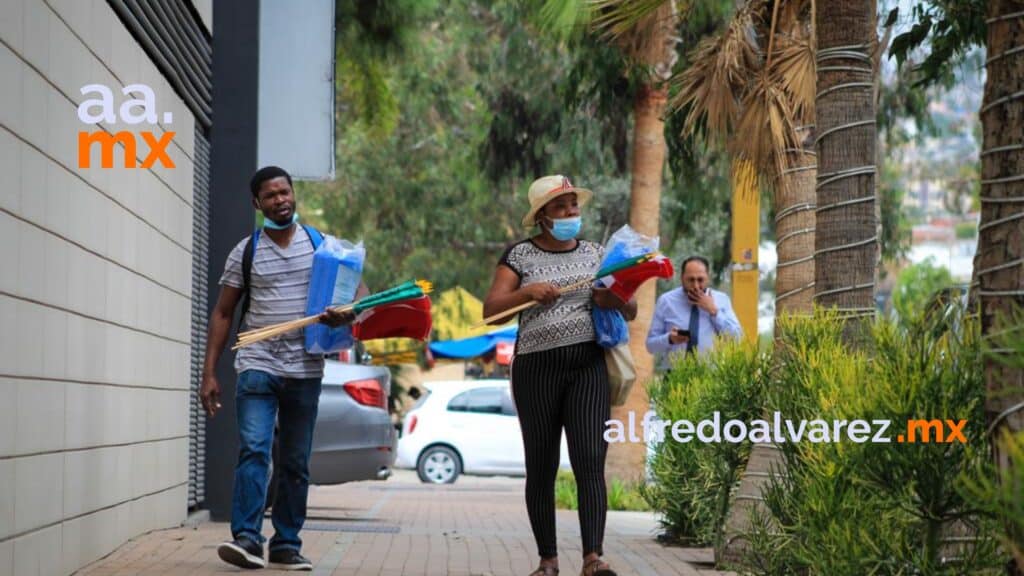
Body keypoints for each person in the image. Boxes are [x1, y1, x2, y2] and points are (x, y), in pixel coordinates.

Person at [199, 166, 367, 571]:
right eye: (271, 195)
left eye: (285, 192)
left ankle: (287, 544)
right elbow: (223, 312)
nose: (281, 200)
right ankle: (247, 539)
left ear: (294, 195)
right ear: (257, 204)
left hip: (305, 369)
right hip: (258, 363)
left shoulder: (322, 245)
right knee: (255, 450)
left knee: (295, 461)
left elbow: (358, 294)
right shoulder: (246, 251)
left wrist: (346, 312)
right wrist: (208, 372)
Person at [483, 175, 637, 576]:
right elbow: (491, 311)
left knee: (589, 460)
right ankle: (547, 561)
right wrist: (526, 293)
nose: (571, 213)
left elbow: (630, 307)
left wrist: (612, 297)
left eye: (574, 205)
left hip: (587, 366)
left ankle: (593, 558)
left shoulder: (597, 253)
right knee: (542, 464)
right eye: (561, 207)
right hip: (536, 367)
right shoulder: (518, 256)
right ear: (542, 217)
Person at [645, 256, 742, 369]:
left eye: (700, 280)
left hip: (711, 376)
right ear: (682, 278)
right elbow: (650, 346)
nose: (696, 286)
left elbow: (737, 339)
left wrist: (714, 311)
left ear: (708, 278)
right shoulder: (666, 301)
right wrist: (669, 339)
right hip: (675, 376)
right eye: (691, 280)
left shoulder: (722, 300)